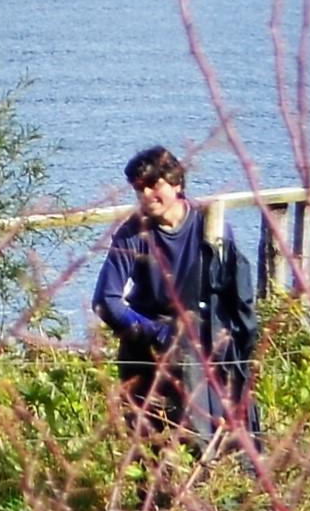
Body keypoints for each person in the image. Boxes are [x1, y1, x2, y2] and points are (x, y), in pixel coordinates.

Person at [91, 146, 254, 440]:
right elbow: (106, 302)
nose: (146, 195)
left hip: (202, 351)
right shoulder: (133, 233)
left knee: (204, 439)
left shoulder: (212, 228)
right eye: (138, 189)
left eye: (154, 185)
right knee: (150, 445)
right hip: (146, 353)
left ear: (177, 184)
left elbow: (234, 294)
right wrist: (155, 333)